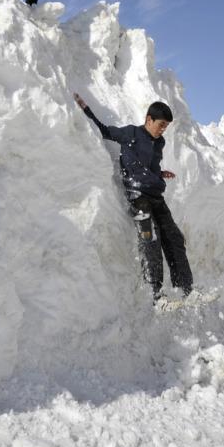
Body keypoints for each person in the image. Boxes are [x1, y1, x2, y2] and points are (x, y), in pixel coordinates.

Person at [73, 93, 194, 308]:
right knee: (151, 238)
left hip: (156, 195)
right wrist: (86, 109)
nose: (163, 129)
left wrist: (159, 174)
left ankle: (187, 291)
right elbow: (104, 130)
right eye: (161, 124)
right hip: (138, 196)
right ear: (149, 119)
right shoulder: (131, 133)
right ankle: (157, 297)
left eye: (166, 126)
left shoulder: (160, 142)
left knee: (174, 238)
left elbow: (152, 165)